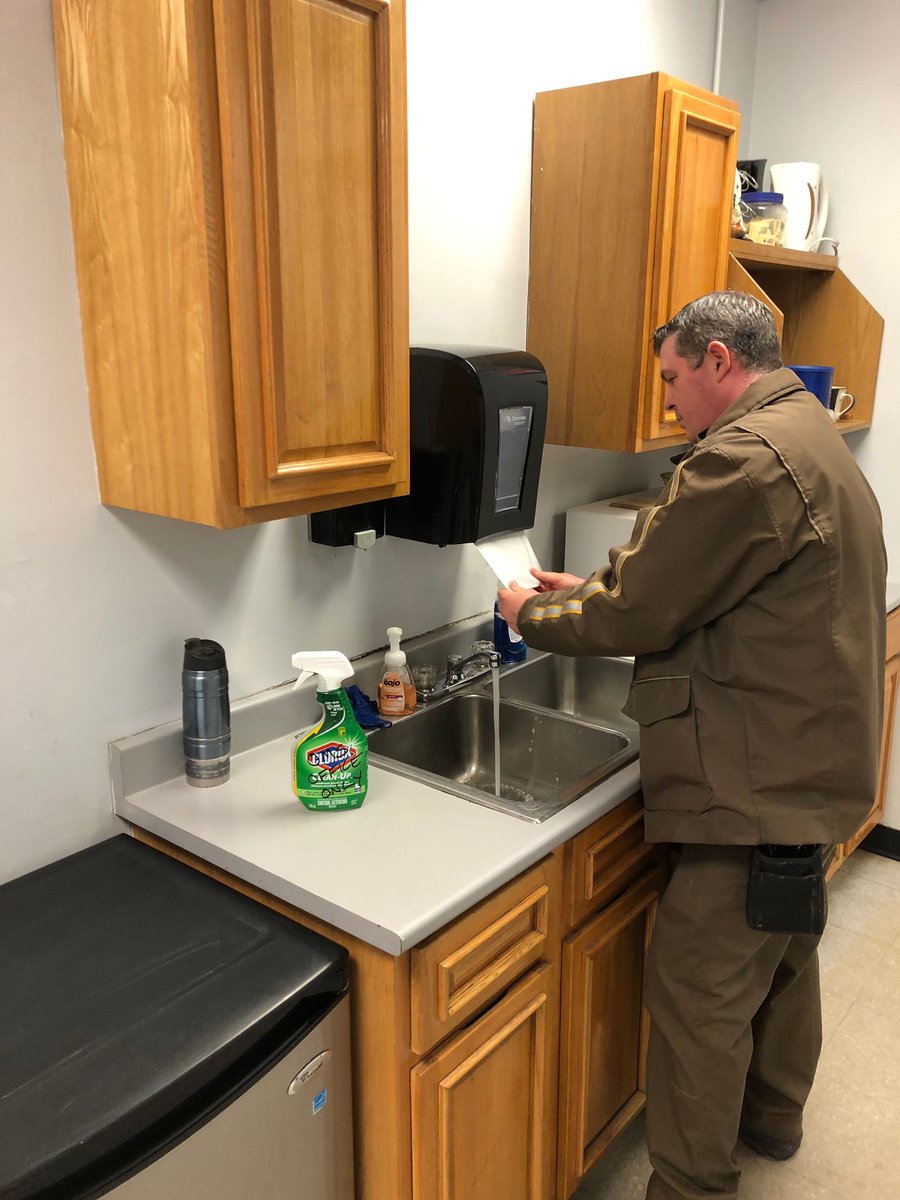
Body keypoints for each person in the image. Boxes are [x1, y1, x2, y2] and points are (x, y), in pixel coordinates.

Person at [498, 291, 887, 1200]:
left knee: (698, 996)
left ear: (718, 359)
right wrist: (587, 587)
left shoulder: (742, 461)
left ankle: (689, 1187)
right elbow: (695, 576)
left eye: (673, 378)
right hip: (810, 767)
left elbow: (640, 610)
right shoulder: (803, 428)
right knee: (782, 952)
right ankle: (773, 1116)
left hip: (756, 785)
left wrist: (530, 613)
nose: (668, 399)